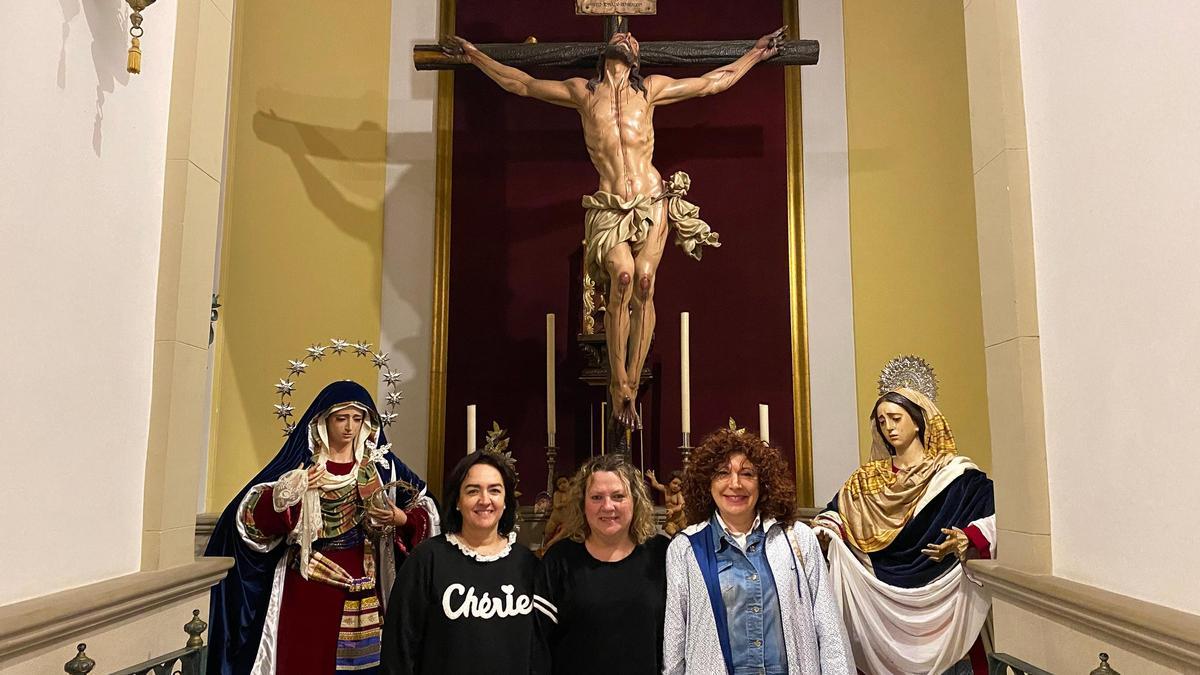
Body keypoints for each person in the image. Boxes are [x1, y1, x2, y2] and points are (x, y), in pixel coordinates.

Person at [443, 28, 783, 430]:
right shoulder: (582, 93)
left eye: (633, 38)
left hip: (652, 200)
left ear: (638, 58)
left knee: (642, 281)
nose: (626, 37)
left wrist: (755, 55)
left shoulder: (651, 90)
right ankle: (617, 378)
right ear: (605, 52)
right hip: (608, 205)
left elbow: (712, 83)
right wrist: (474, 56)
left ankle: (631, 382)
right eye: (619, 35)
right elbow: (522, 84)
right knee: (621, 277)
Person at [205, 380, 438, 675]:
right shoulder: (302, 467)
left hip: (363, 581)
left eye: (357, 418)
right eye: (341, 418)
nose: (349, 427)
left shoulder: (381, 467)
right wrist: (286, 496)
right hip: (308, 581)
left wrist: (402, 519)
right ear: (322, 421)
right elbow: (250, 518)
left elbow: (425, 507)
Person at [813, 388, 996, 674]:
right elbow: (836, 513)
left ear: (918, 421)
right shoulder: (867, 480)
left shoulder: (955, 476)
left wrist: (969, 536)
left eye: (896, 418)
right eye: (882, 421)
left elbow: (1002, 517)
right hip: (877, 601)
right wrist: (826, 530)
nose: (889, 427)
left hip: (942, 598)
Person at [664, 427, 855, 674]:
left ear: (762, 483)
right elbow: (675, 638)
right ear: (707, 483)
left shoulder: (797, 538)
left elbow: (829, 630)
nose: (735, 484)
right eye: (723, 473)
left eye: (747, 474)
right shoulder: (686, 548)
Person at [381, 451, 543, 674]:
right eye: (472, 490)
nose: (484, 500)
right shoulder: (427, 559)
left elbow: (540, 652)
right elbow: (398, 648)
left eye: (494, 490)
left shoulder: (527, 564)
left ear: (506, 501)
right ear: (457, 500)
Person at [536, 454, 669, 674]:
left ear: (635, 500)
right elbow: (539, 646)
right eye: (597, 497)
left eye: (618, 496)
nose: (608, 507)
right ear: (582, 503)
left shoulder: (661, 554)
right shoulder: (559, 560)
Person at [645, 468, 686, 535]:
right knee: (669, 530)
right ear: (669, 482)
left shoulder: (679, 494)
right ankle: (675, 539)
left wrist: (673, 510)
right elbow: (656, 485)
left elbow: (682, 505)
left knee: (685, 530)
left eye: (679, 485)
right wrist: (652, 478)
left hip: (680, 518)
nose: (676, 486)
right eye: (674, 483)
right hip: (671, 518)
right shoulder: (666, 489)